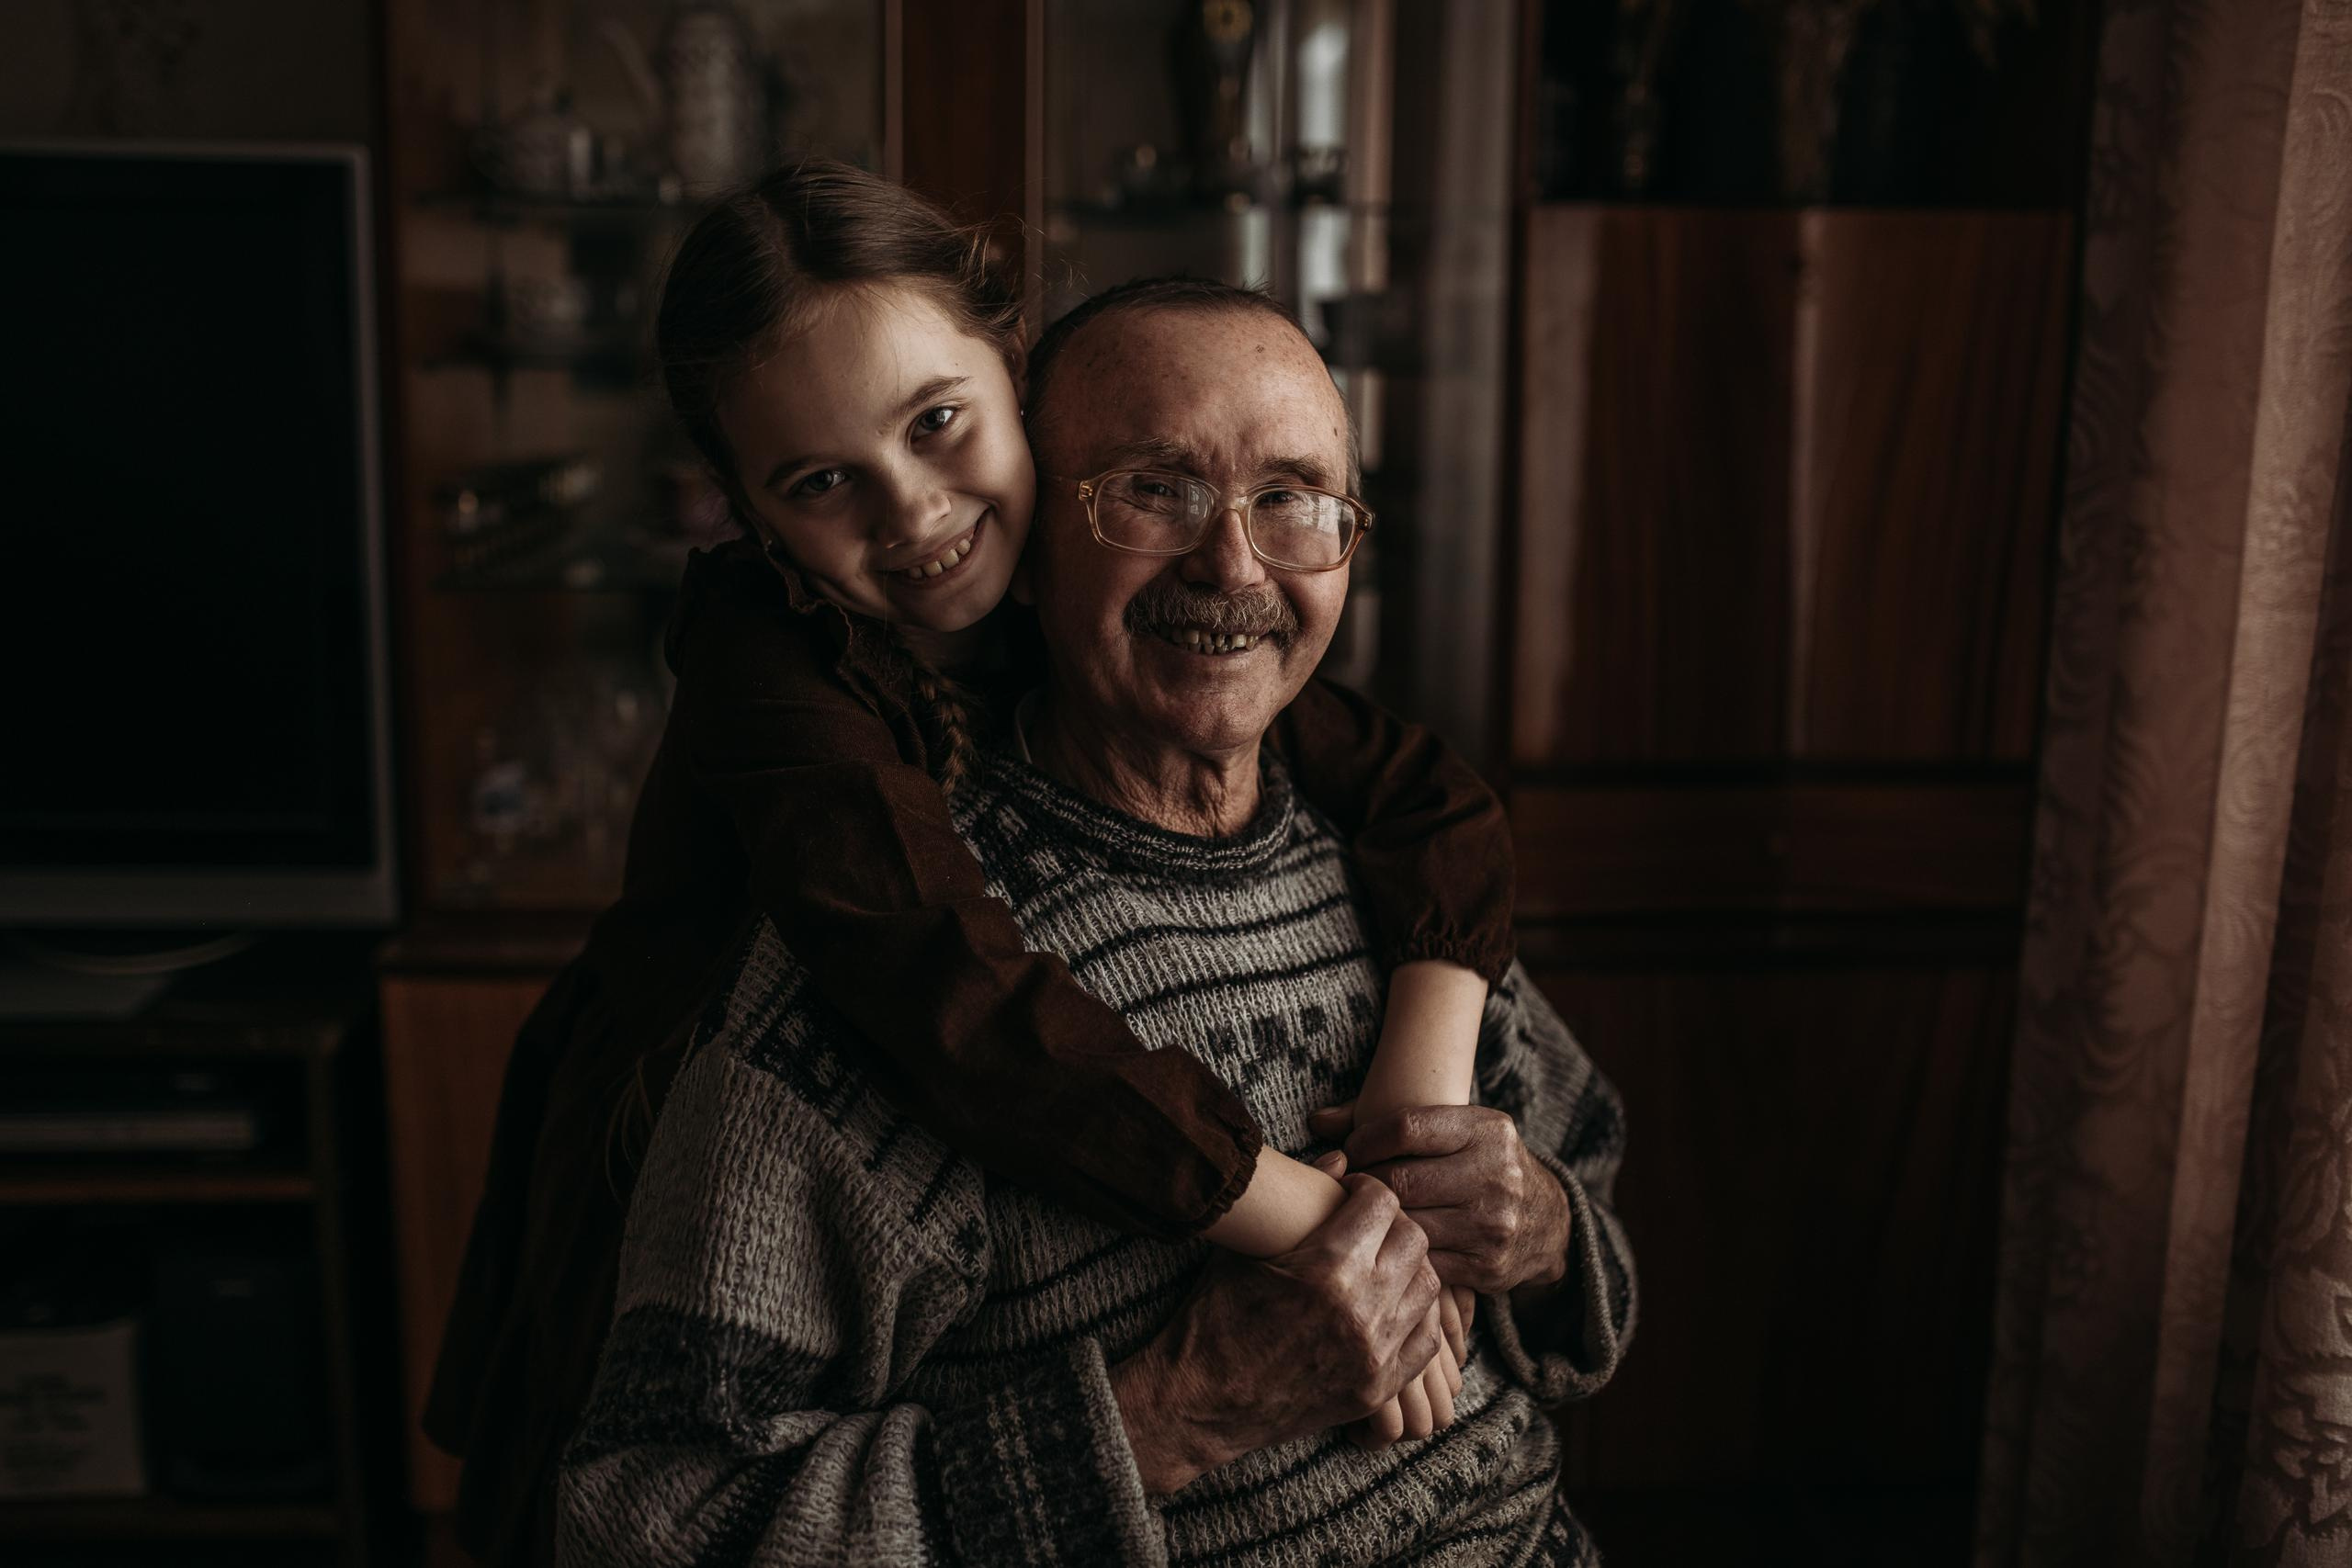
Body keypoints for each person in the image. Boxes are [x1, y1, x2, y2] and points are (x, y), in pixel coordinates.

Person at [426, 162, 1512, 1563]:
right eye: (822, 483)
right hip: (679, 1128)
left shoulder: (1074, 601)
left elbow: (1433, 795)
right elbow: (949, 989)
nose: (914, 515)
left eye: (940, 423)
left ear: (1015, 371)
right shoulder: (773, 674)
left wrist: (1415, 1107)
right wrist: (1328, 1217)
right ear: (750, 517)